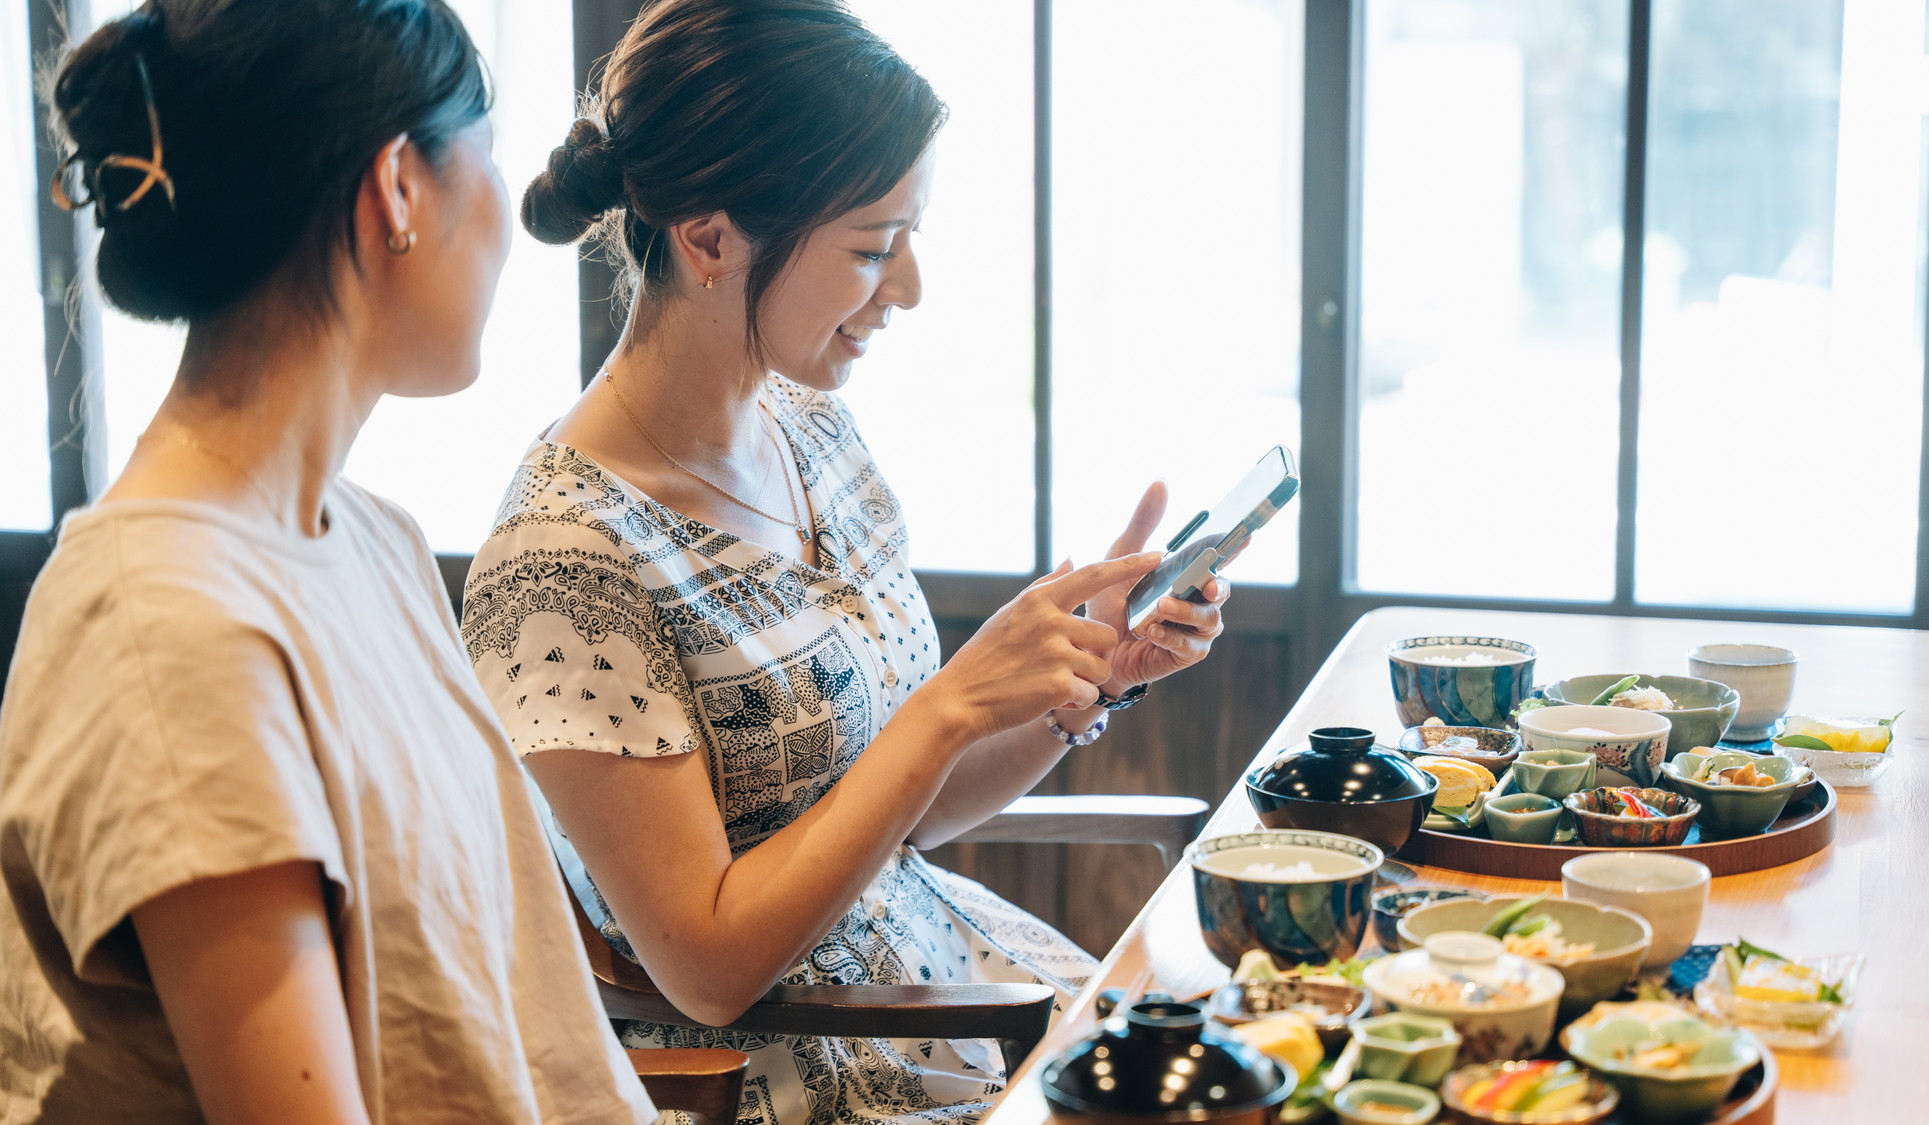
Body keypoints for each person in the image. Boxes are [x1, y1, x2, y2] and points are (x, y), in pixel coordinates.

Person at [459, 1, 1232, 1121]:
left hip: (951, 993)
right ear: (710, 237)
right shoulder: (565, 563)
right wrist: (950, 704)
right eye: (872, 248)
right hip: (815, 1070)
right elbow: (709, 970)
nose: (906, 289)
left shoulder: (809, 431)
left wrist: (1083, 678)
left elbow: (903, 812)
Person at [0, 2, 655, 1121]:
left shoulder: (373, 541)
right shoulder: (166, 623)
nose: (505, 208)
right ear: (397, 188)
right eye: (485, 155)